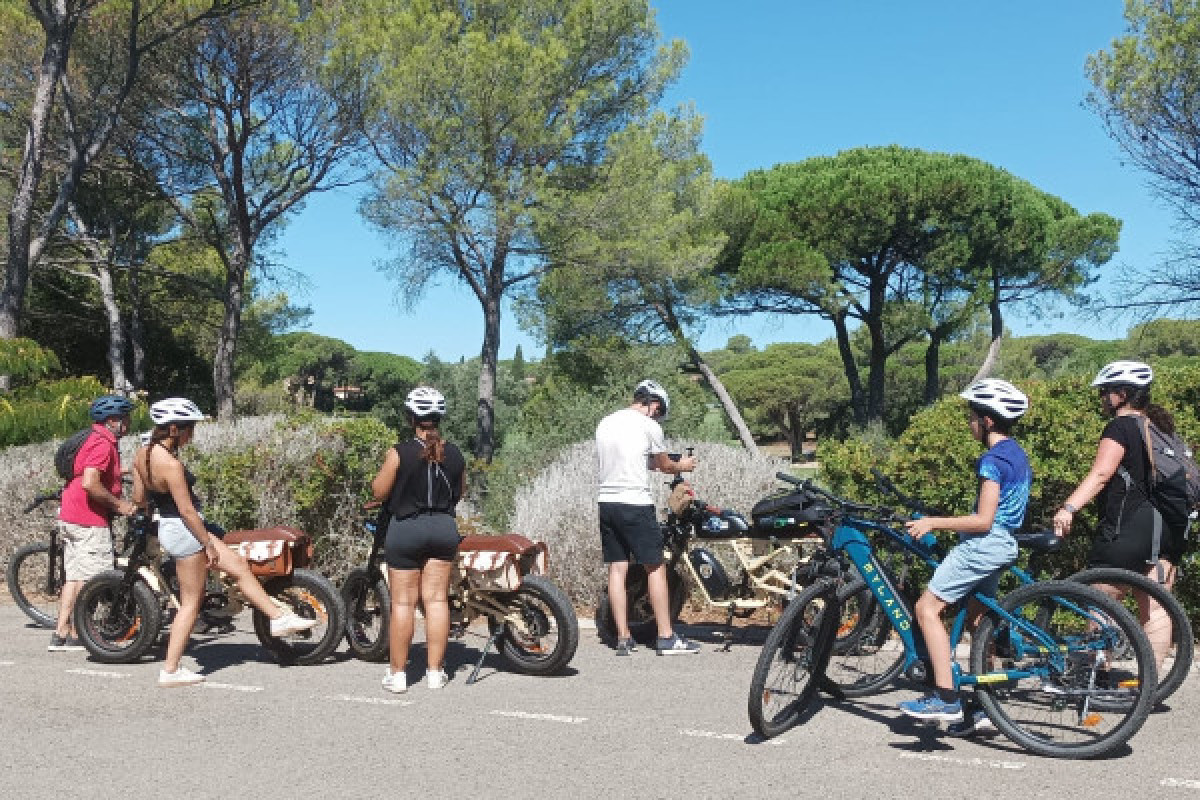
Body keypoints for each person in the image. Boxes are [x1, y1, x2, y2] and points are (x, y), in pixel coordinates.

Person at [131, 397, 317, 687]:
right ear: (174, 429)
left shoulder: (142, 454)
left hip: (171, 527)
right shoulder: (171, 465)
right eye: (190, 428)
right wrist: (206, 543)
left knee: (238, 567)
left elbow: (139, 499)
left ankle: (276, 616)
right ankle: (170, 670)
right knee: (191, 604)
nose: (192, 434)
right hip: (185, 529)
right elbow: (187, 511)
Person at [897, 379, 1032, 734]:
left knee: (927, 609)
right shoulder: (1017, 454)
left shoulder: (992, 460)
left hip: (983, 545)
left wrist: (932, 523)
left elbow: (982, 520)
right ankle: (984, 708)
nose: (970, 423)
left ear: (987, 421)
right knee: (978, 622)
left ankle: (945, 697)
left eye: (972, 417)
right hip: (1003, 546)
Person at [1053, 360, 1181, 678]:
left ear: (1121, 394)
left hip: (1130, 526)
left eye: (1104, 392)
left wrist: (1069, 507)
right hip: (1168, 528)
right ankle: (1148, 686)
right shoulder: (1161, 428)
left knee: (1100, 596)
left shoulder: (1121, 427)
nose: (1101, 399)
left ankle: (1092, 677)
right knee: (1155, 607)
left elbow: (1101, 473)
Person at [370, 387, 466, 693]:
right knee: (436, 600)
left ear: (411, 418)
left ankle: (398, 675)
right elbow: (459, 494)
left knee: (403, 603)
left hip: (406, 529)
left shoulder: (398, 453)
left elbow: (379, 492)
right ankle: (436, 673)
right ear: (439, 418)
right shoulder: (456, 454)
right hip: (443, 529)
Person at [596, 379, 699, 656]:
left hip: (607, 502)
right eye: (658, 411)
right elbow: (665, 465)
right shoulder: (649, 426)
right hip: (635, 503)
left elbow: (638, 460)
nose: (657, 416)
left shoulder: (605, 423)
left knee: (618, 569)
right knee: (655, 567)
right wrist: (683, 465)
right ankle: (666, 637)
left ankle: (623, 638)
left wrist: (659, 463)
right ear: (654, 404)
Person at [51, 395, 137, 651]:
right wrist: (119, 505)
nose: (128, 423)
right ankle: (81, 634)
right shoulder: (102, 444)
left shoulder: (91, 437)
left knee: (75, 577)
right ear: (113, 421)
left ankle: (60, 634)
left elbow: (91, 470)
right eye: (125, 419)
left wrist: (129, 470)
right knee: (94, 580)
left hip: (71, 516)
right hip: (89, 520)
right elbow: (90, 482)